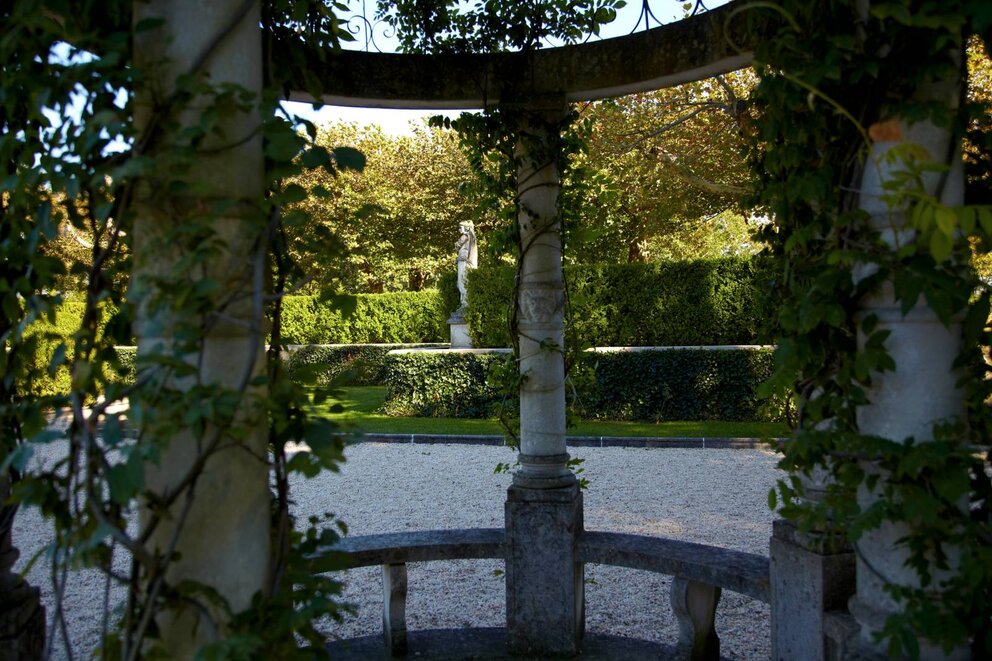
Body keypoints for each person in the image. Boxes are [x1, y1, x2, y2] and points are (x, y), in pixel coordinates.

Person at [455, 220, 478, 310]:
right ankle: (464, 303)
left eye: (461, 227)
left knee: (463, 283)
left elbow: (458, 244)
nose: (459, 230)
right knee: (461, 284)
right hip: (462, 264)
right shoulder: (469, 238)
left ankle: (465, 304)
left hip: (465, 264)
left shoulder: (467, 236)